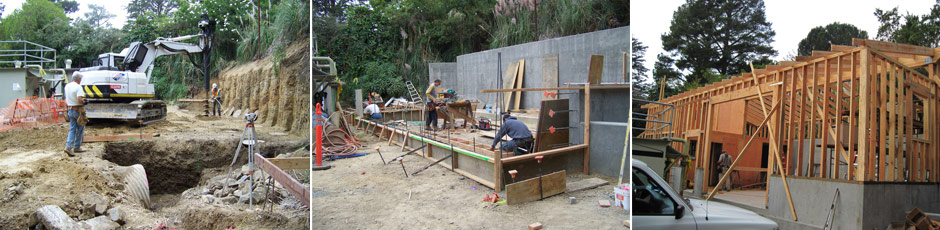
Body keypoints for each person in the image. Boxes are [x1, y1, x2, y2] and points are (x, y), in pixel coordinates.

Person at [64, 73, 87, 157]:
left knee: (72, 128)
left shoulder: (67, 86)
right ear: (78, 79)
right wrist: (85, 102)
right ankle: (77, 147)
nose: (81, 80)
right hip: (78, 110)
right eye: (80, 78)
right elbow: (79, 100)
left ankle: (68, 146)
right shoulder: (78, 87)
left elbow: (67, 98)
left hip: (70, 110)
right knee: (81, 127)